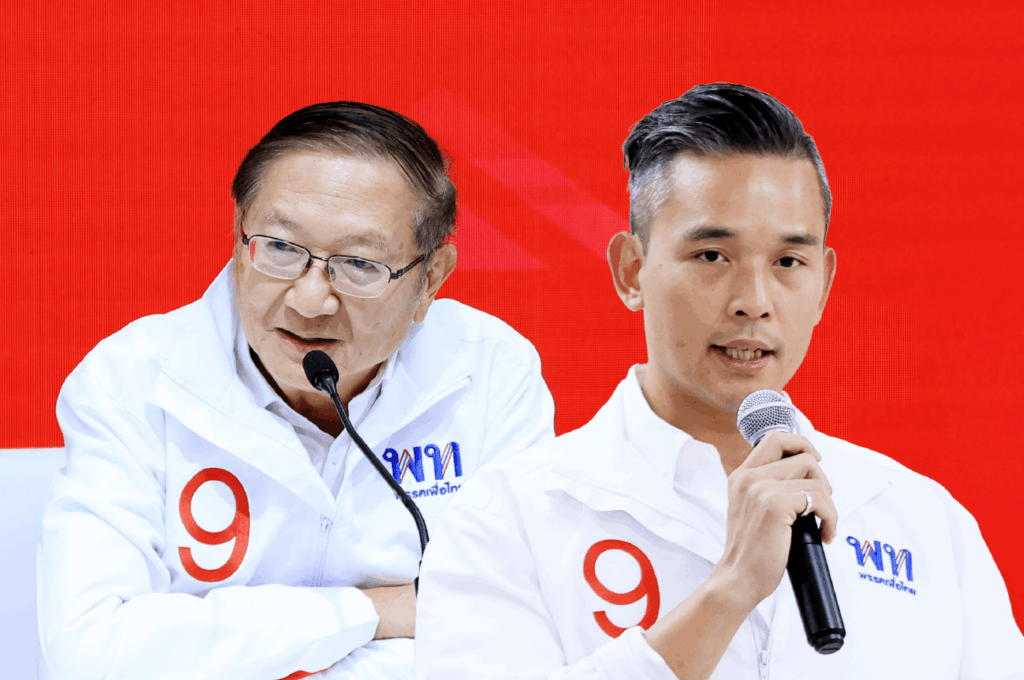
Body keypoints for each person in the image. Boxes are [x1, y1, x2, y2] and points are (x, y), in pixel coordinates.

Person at [414, 84, 1024, 679]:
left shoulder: (922, 520)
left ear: (823, 285)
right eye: (712, 256)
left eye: (788, 262)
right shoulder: (508, 516)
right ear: (632, 271)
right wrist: (730, 589)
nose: (754, 301)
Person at [37, 102, 555, 680]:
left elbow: (520, 625)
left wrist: (223, 644)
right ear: (239, 237)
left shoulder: (487, 371)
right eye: (281, 248)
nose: (310, 301)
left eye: (359, 263)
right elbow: (90, 649)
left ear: (431, 277)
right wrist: (374, 610)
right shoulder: (131, 381)